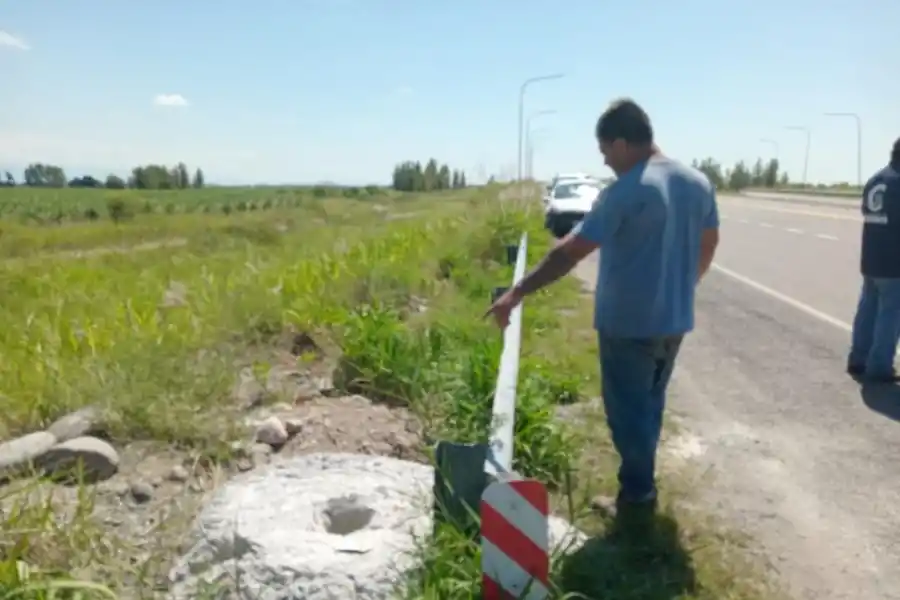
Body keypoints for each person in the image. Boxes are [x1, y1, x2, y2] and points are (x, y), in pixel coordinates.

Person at [485, 98, 720, 514]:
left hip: (628, 324)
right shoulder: (697, 182)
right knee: (649, 405)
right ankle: (641, 486)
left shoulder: (627, 191)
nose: (605, 161)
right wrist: (684, 286)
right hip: (674, 319)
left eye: (605, 151)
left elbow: (570, 251)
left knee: (628, 413)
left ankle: (637, 498)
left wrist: (516, 292)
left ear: (622, 143)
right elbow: (709, 242)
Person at [847, 137, 900, 382]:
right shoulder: (898, 183)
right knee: (890, 313)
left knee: (868, 309)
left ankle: (858, 359)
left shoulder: (875, 180)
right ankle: (879, 366)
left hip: (871, 258)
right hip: (893, 261)